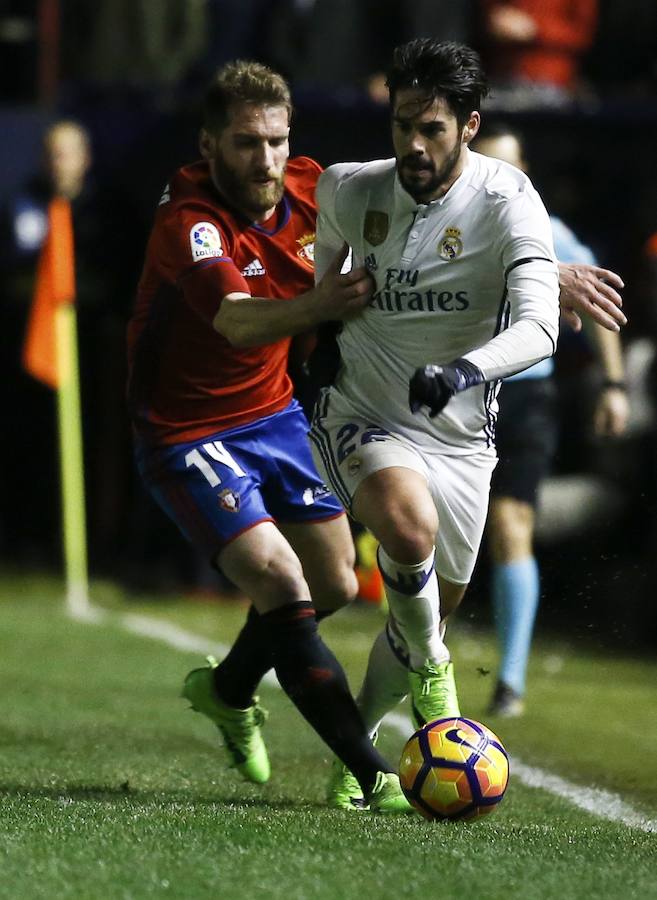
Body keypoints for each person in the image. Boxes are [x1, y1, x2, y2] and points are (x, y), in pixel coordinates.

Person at [126, 60, 411, 813]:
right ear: (209, 143)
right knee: (283, 584)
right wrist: (322, 304)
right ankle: (371, 771)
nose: (266, 161)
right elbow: (236, 319)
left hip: (274, 415)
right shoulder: (186, 220)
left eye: (278, 141)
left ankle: (225, 690)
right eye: (247, 143)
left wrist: (546, 271)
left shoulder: (318, 187)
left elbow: (432, 203)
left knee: (336, 585)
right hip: (185, 430)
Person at [305, 36, 573, 807]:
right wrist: (321, 333)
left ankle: (354, 752)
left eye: (431, 129)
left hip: (460, 432)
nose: (413, 145)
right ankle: (438, 684)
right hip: (360, 411)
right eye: (401, 126)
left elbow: (541, 327)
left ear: (469, 126)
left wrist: (462, 372)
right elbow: (326, 270)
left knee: (425, 602)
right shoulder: (349, 190)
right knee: (407, 533)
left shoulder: (506, 199)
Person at [474, 123, 629, 716]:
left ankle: (509, 678)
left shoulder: (551, 234)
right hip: (454, 395)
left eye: (513, 169)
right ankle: (420, 655)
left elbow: (600, 307)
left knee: (511, 525)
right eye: (490, 166)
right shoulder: (446, 231)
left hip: (522, 399)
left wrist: (613, 386)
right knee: (430, 531)